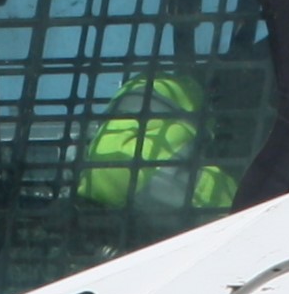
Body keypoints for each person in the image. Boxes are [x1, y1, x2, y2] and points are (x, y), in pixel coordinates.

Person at [78, 72, 237, 217]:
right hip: (151, 176)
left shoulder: (144, 81)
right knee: (232, 206)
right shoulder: (200, 102)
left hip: (93, 180)